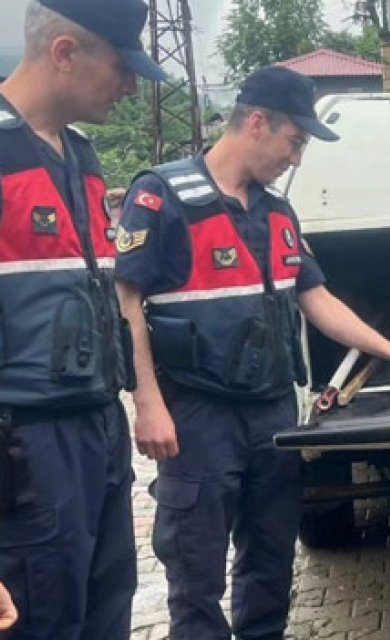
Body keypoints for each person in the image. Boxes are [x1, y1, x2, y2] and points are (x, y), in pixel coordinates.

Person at [114, 66, 390, 639]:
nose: (295, 160)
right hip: (197, 416)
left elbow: (316, 298)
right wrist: (147, 402)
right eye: (294, 142)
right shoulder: (162, 197)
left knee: (271, 559)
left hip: (271, 411)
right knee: (194, 572)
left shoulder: (276, 212)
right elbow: (125, 303)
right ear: (257, 123)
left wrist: (389, 349)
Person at [0, 1, 168, 638]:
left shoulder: (81, 155)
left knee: (106, 611)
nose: (130, 88)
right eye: (123, 68)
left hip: (98, 429)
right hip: (25, 447)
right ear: (65, 52)